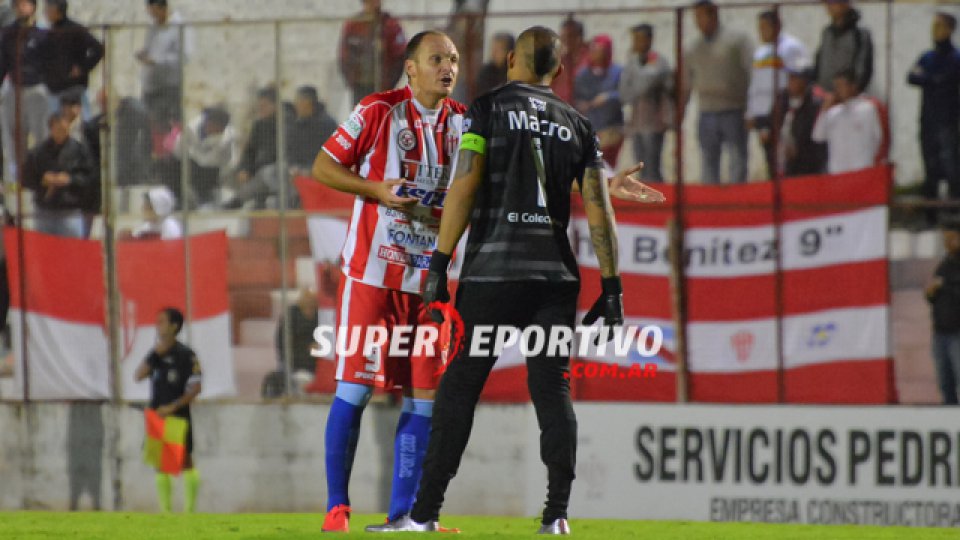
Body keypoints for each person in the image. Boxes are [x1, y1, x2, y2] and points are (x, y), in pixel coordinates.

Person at [401, 26, 665, 534]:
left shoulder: (487, 109)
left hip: (492, 276)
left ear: (510, 62)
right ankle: (557, 515)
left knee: (459, 389)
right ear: (559, 71)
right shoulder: (578, 124)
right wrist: (612, 289)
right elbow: (597, 207)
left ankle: (425, 513)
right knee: (553, 390)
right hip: (554, 278)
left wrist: (438, 264)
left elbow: (466, 182)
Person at [311, 30, 466, 533]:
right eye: (437, 59)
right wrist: (374, 189)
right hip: (373, 276)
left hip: (430, 281)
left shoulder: (466, 123)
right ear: (412, 68)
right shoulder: (378, 110)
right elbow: (323, 167)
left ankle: (404, 514)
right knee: (355, 390)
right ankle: (338, 506)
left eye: (454, 60)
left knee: (424, 397)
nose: (448, 67)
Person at [134, 307, 202, 513]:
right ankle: (166, 512)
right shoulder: (156, 353)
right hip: (157, 414)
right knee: (160, 463)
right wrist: (155, 354)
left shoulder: (186, 355)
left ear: (174, 326)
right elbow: (138, 375)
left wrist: (174, 406)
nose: (158, 325)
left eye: (162, 321)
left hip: (177, 415)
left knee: (185, 461)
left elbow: (196, 387)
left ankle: (190, 511)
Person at [682, 0, 753, 184]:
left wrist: (752, 109)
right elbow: (686, 83)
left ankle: (738, 201)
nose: (698, 22)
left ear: (714, 14)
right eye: (695, 17)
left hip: (734, 110)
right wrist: (681, 112)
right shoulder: (692, 48)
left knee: (737, 160)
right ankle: (710, 203)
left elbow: (752, 73)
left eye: (701, 16)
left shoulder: (737, 41)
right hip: (706, 112)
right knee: (708, 160)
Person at [908, 12, 960, 227]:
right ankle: (930, 215)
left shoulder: (955, 58)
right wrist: (932, 79)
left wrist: (931, 79)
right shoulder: (928, 56)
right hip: (928, 119)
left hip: (948, 119)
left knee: (951, 167)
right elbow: (912, 76)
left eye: (940, 26)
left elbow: (947, 79)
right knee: (930, 166)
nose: (935, 30)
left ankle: (953, 212)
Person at [746, 10, 808, 179]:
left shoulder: (790, 48)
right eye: (759, 28)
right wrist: (752, 113)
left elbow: (798, 79)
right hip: (764, 114)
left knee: (787, 156)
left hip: (783, 111)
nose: (762, 32)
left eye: (765, 27)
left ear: (777, 26)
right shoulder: (761, 54)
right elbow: (756, 85)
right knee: (770, 157)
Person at [21, 111, 93, 237]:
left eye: (65, 129)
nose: (62, 132)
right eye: (58, 128)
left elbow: (89, 177)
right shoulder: (38, 152)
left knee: (71, 251)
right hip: (44, 212)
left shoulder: (79, 150)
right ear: (51, 128)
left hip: (69, 212)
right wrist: (43, 180)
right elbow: (26, 179)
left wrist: (70, 179)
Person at [0, 0, 49, 183]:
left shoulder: (42, 34)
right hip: (14, 88)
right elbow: (3, 63)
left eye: (25, 4)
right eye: (18, 5)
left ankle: (41, 176)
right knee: (13, 136)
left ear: (33, 7)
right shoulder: (8, 34)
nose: (22, 8)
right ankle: (17, 179)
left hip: (36, 89)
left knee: (41, 134)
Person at [618, 23, 673, 182]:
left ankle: (658, 196)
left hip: (654, 121)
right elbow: (624, 93)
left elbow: (646, 83)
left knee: (653, 164)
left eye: (639, 39)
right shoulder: (632, 62)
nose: (635, 43)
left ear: (649, 40)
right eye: (634, 39)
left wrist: (637, 85)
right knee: (640, 164)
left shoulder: (658, 61)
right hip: (636, 122)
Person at [811, 69, 885, 174]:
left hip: (862, 169)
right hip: (838, 172)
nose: (838, 90)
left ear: (853, 86)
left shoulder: (868, 108)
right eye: (836, 86)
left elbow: (877, 138)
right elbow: (817, 136)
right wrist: (823, 112)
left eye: (841, 86)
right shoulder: (833, 113)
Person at [39, 0, 104, 119]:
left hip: (74, 88)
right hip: (54, 89)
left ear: (57, 9)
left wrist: (82, 68)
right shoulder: (49, 32)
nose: (45, 12)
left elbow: (98, 49)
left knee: (82, 127)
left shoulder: (75, 30)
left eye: (48, 8)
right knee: (56, 125)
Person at [221, 87, 280, 210]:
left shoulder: (284, 125)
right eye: (259, 106)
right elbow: (250, 151)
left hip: (274, 169)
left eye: (264, 105)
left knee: (265, 175)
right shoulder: (259, 125)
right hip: (256, 167)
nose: (261, 109)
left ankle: (239, 200)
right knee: (227, 174)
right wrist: (244, 168)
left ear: (275, 106)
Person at [338, 0, 406, 105]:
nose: (372, 4)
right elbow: (344, 55)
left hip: (383, 86)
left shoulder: (390, 25)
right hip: (359, 86)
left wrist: (390, 83)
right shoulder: (353, 25)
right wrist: (350, 80)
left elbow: (400, 56)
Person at [136, 0, 187, 132]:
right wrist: (143, 54)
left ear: (162, 8)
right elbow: (149, 48)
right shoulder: (153, 26)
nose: (153, 16)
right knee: (147, 124)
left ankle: (168, 151)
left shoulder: (179, 26)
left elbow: (184, 56)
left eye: (154, 12)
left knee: (164, 125)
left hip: (168, 86)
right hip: (151, 85)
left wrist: (156, 60)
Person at [575, 35, 625, 168]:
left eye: (602, 51)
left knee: (608, 165)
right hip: (591, 126)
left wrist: (608, 97)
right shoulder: (582, 74)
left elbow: (625, 93)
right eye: (595, 51)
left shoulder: (617, 72)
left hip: (612, 127)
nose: (598, 55)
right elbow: (576, 97)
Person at [173, 106, 238, 207]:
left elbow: (210, 161)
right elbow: (179, 148)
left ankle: (205, 198)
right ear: (208, 122)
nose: (213, 130)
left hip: (215, 168)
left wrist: (193, 154)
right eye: (212, 126)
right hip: (192, 163)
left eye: (218, 130)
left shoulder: (227, 138)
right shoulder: (191, 127)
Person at [926, 223, 960, 405]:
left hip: (957, 332)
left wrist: (945, 287)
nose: (948, 243)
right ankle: (949, 413)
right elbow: (933, 295)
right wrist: (930, 292)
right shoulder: (944, 265)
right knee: (945, 381)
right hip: (940, 333)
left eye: (952, 239)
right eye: (945, 240)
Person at [773, 63, 827, 177]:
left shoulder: (814, 105)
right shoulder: (782, 100)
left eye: (794, 78)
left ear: (804, 81)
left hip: (807, 168)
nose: (789, 83)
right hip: (783, 163)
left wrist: (799, 151)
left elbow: (817, 141)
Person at [813, 0, 873, 92]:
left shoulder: (859, 34)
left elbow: (863, 69)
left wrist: (851, 90)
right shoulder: (827, 33)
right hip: (824, 97)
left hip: (848, 98)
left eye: (832, 2)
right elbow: (819, 62)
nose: (828, 6)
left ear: (845, 4)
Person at [287, 86, 337, 176]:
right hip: (298, 169)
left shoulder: (327, 124)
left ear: (309, 103)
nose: (296, 105)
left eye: (299, 101)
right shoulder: (297, 124)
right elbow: (291, 150)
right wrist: (293, 166)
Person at [551, 15, 588, 104]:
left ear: (579, 38)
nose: (566, 40)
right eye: (563, 37)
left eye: (570, 36)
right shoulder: (558, 61)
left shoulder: (589, 60)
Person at [475, 32, 513, 96]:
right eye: (493, 49)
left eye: (499, 50)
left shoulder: (514, 72)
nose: (494, 53)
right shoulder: (486, 72)